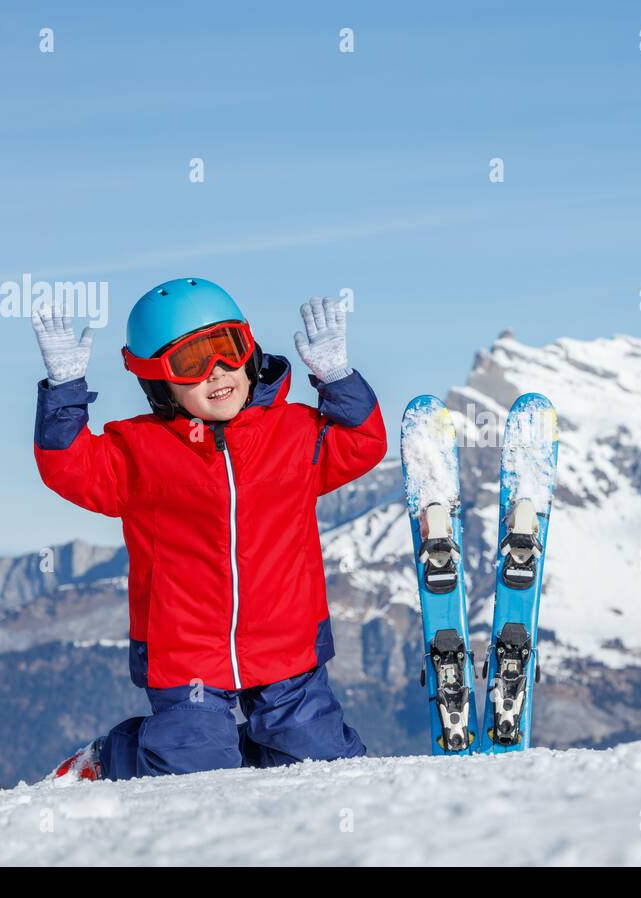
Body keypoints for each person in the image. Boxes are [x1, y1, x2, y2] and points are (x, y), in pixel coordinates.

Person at [32, 278, 385, 780]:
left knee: (314, 759)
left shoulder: (294, 433)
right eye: (190, 363)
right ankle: (113, 755)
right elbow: (66, 466)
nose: (216, 372)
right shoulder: (139, 451)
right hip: (185, 650)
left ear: (250, 350)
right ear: (159, 381)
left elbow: (364, 442)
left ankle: (255, 747)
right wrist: (65, 390)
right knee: (194, 766)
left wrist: (337, 377)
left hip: (286, 641)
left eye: (227, 348)